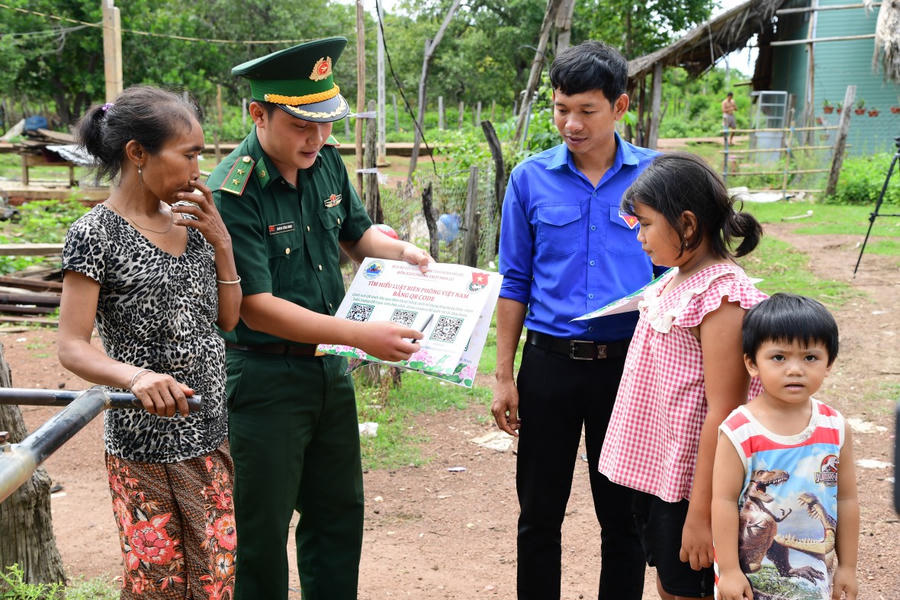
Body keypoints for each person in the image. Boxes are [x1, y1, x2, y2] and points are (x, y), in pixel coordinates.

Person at [208, 37, 431, 600]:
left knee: (337, 517)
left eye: (327, 123)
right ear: (259, 114)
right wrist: (360, 337)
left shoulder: (327, 163)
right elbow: (256, 306)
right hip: (262, 379)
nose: (318, 138)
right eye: (302, 125)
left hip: (329, 371)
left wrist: (401, 252)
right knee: (260, 532)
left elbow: (357, 235)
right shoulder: (232, 191)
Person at [58, 85, 242, 598]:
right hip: (143, 445)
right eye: (188, 155)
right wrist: (135, 377)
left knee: (214, 578)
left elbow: (227, 321)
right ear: (137, 153)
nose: (197, 171)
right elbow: (72, 345)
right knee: (157, 584)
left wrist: (222, 243)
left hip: (208, 434)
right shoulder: (95, 234)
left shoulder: (193, 223)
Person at [492, 40, 659, 600]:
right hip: (550, 366)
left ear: (620, 105)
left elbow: (686, 275)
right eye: (562, 108)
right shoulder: (529, 179)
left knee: (626, 517)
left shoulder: (658, 178)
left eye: (587, 110)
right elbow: (514, 282)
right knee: (539, 515)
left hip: (632, 367)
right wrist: (503, 374)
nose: (572, 123)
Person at [597, 152, 767, 600]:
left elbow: (725, 413)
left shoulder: (722, 295)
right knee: (670, 583)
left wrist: (703, 513)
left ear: (688, 225)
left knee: (688, 589)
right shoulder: (674, 278)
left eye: (647, 224)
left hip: (696, 483)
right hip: (662, 474)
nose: (640, 238)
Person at [712, 293, 859, 600]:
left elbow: (845, 499)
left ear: (829, 363)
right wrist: (728, 570)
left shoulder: (835, 427)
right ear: (752, 364)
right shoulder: (739, 430)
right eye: (779, 357)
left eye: (810, 357)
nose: (795, 369)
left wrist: (848, 567)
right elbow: (723, 502)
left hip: (814, 586)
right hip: (747, 585)